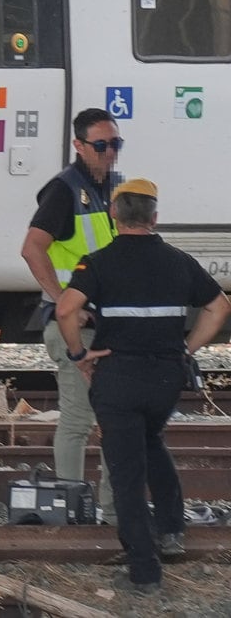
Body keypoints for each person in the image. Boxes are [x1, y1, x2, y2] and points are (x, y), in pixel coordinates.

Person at [56, 178, 230, 594]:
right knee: (151, 442)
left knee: (127, 474)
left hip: (117, 376)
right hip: (165, 377)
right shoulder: (179, 261)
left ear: (114, 215)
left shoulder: (97, 262)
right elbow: (219, 305)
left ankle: (144, 573)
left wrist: (80, 355)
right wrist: (186, 348)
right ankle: (172, 530)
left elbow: (66, 309)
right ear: (155, 218)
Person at [17, 106, 122, 520]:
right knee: (79, 421)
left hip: (101, 323)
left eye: (115, 144)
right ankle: (72, 513)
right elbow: (32, 248)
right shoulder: (63, 190)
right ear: (79, 146)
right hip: (75, 325)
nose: (110, 152)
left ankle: (112, 514)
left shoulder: (109, 186)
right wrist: (63, 300)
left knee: (113, 420)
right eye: (101, 145)